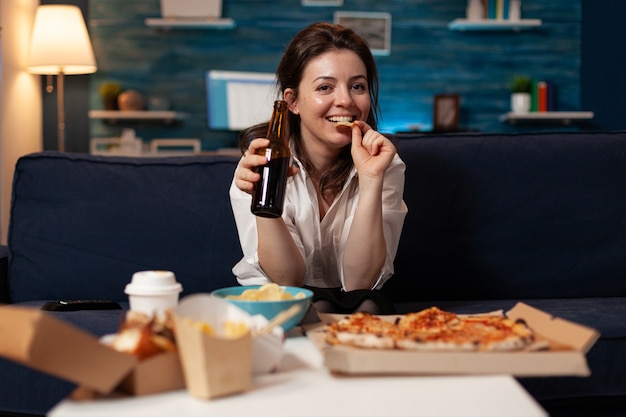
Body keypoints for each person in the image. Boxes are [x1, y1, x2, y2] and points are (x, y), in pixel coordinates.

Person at [229, 22, 407, 316]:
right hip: (278, 304)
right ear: (293, 101)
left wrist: (371, 178)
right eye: (325, 87)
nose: (346, 101)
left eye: (357, 86)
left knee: (367, 304)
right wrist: (264, 199)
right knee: (312, 307)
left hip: (358, 305)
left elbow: (359, 282)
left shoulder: (383, 163)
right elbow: (286, 281)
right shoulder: (258, 165)